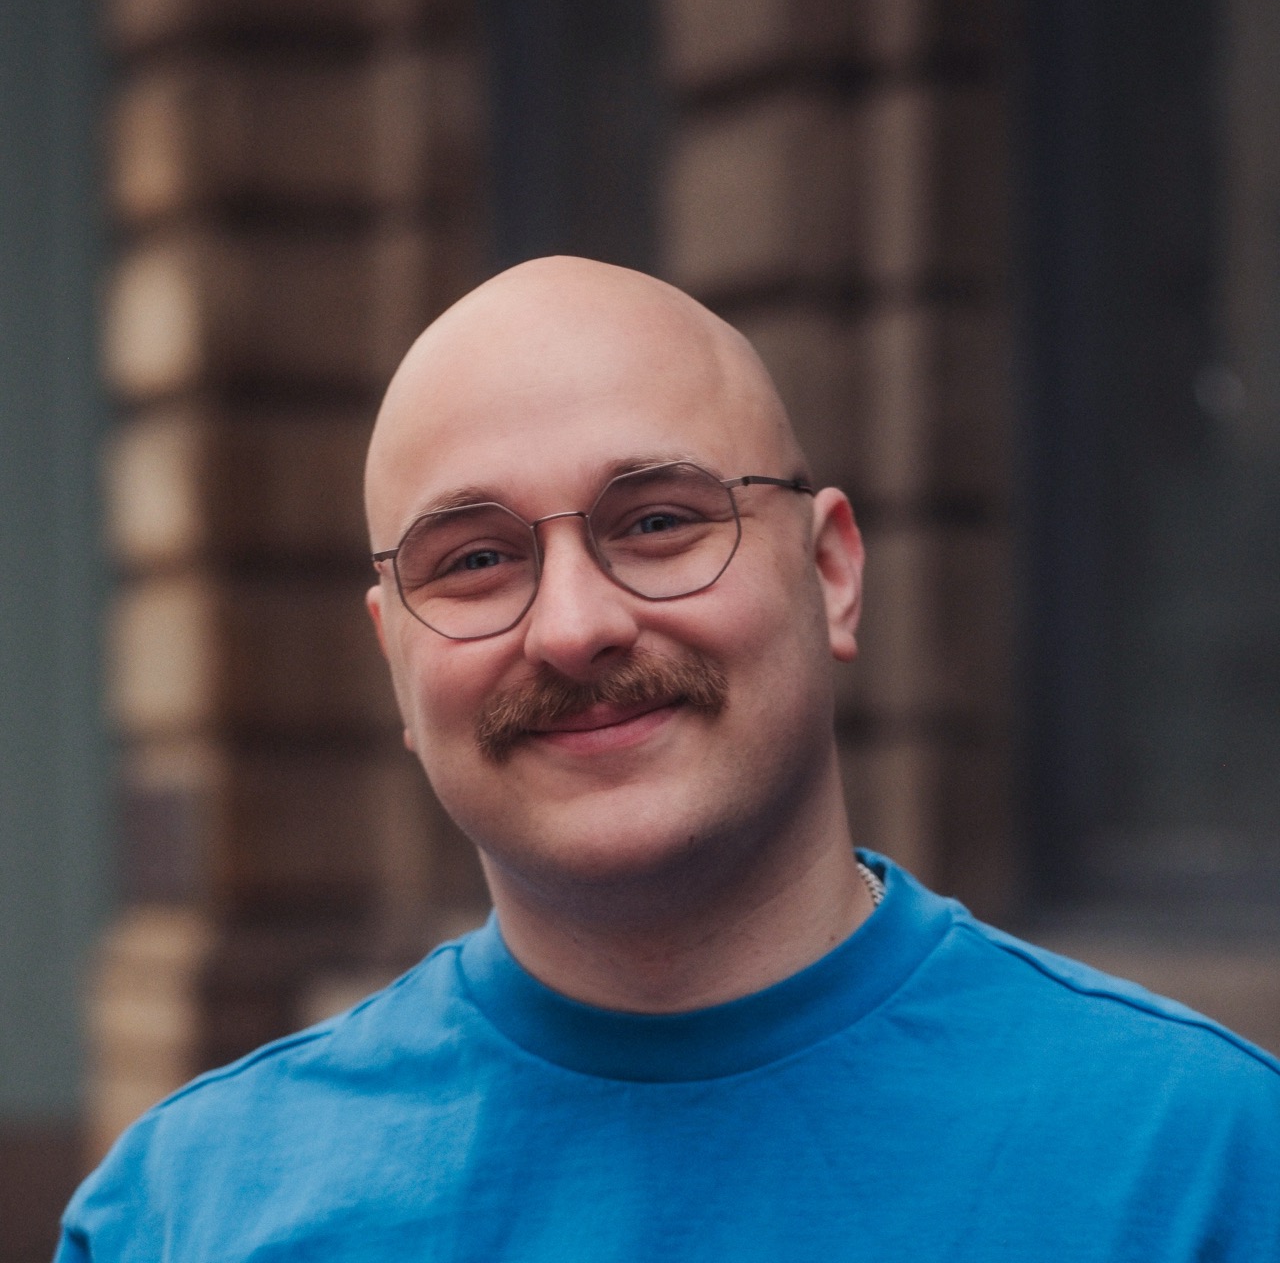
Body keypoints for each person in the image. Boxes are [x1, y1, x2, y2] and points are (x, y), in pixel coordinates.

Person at [58, 257, 1280, 1260]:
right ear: (395, 659)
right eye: (475, 558)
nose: (575, 625)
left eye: (655, 522)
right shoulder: (184, 1212)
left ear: (829, 571)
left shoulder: (1202, 1165)